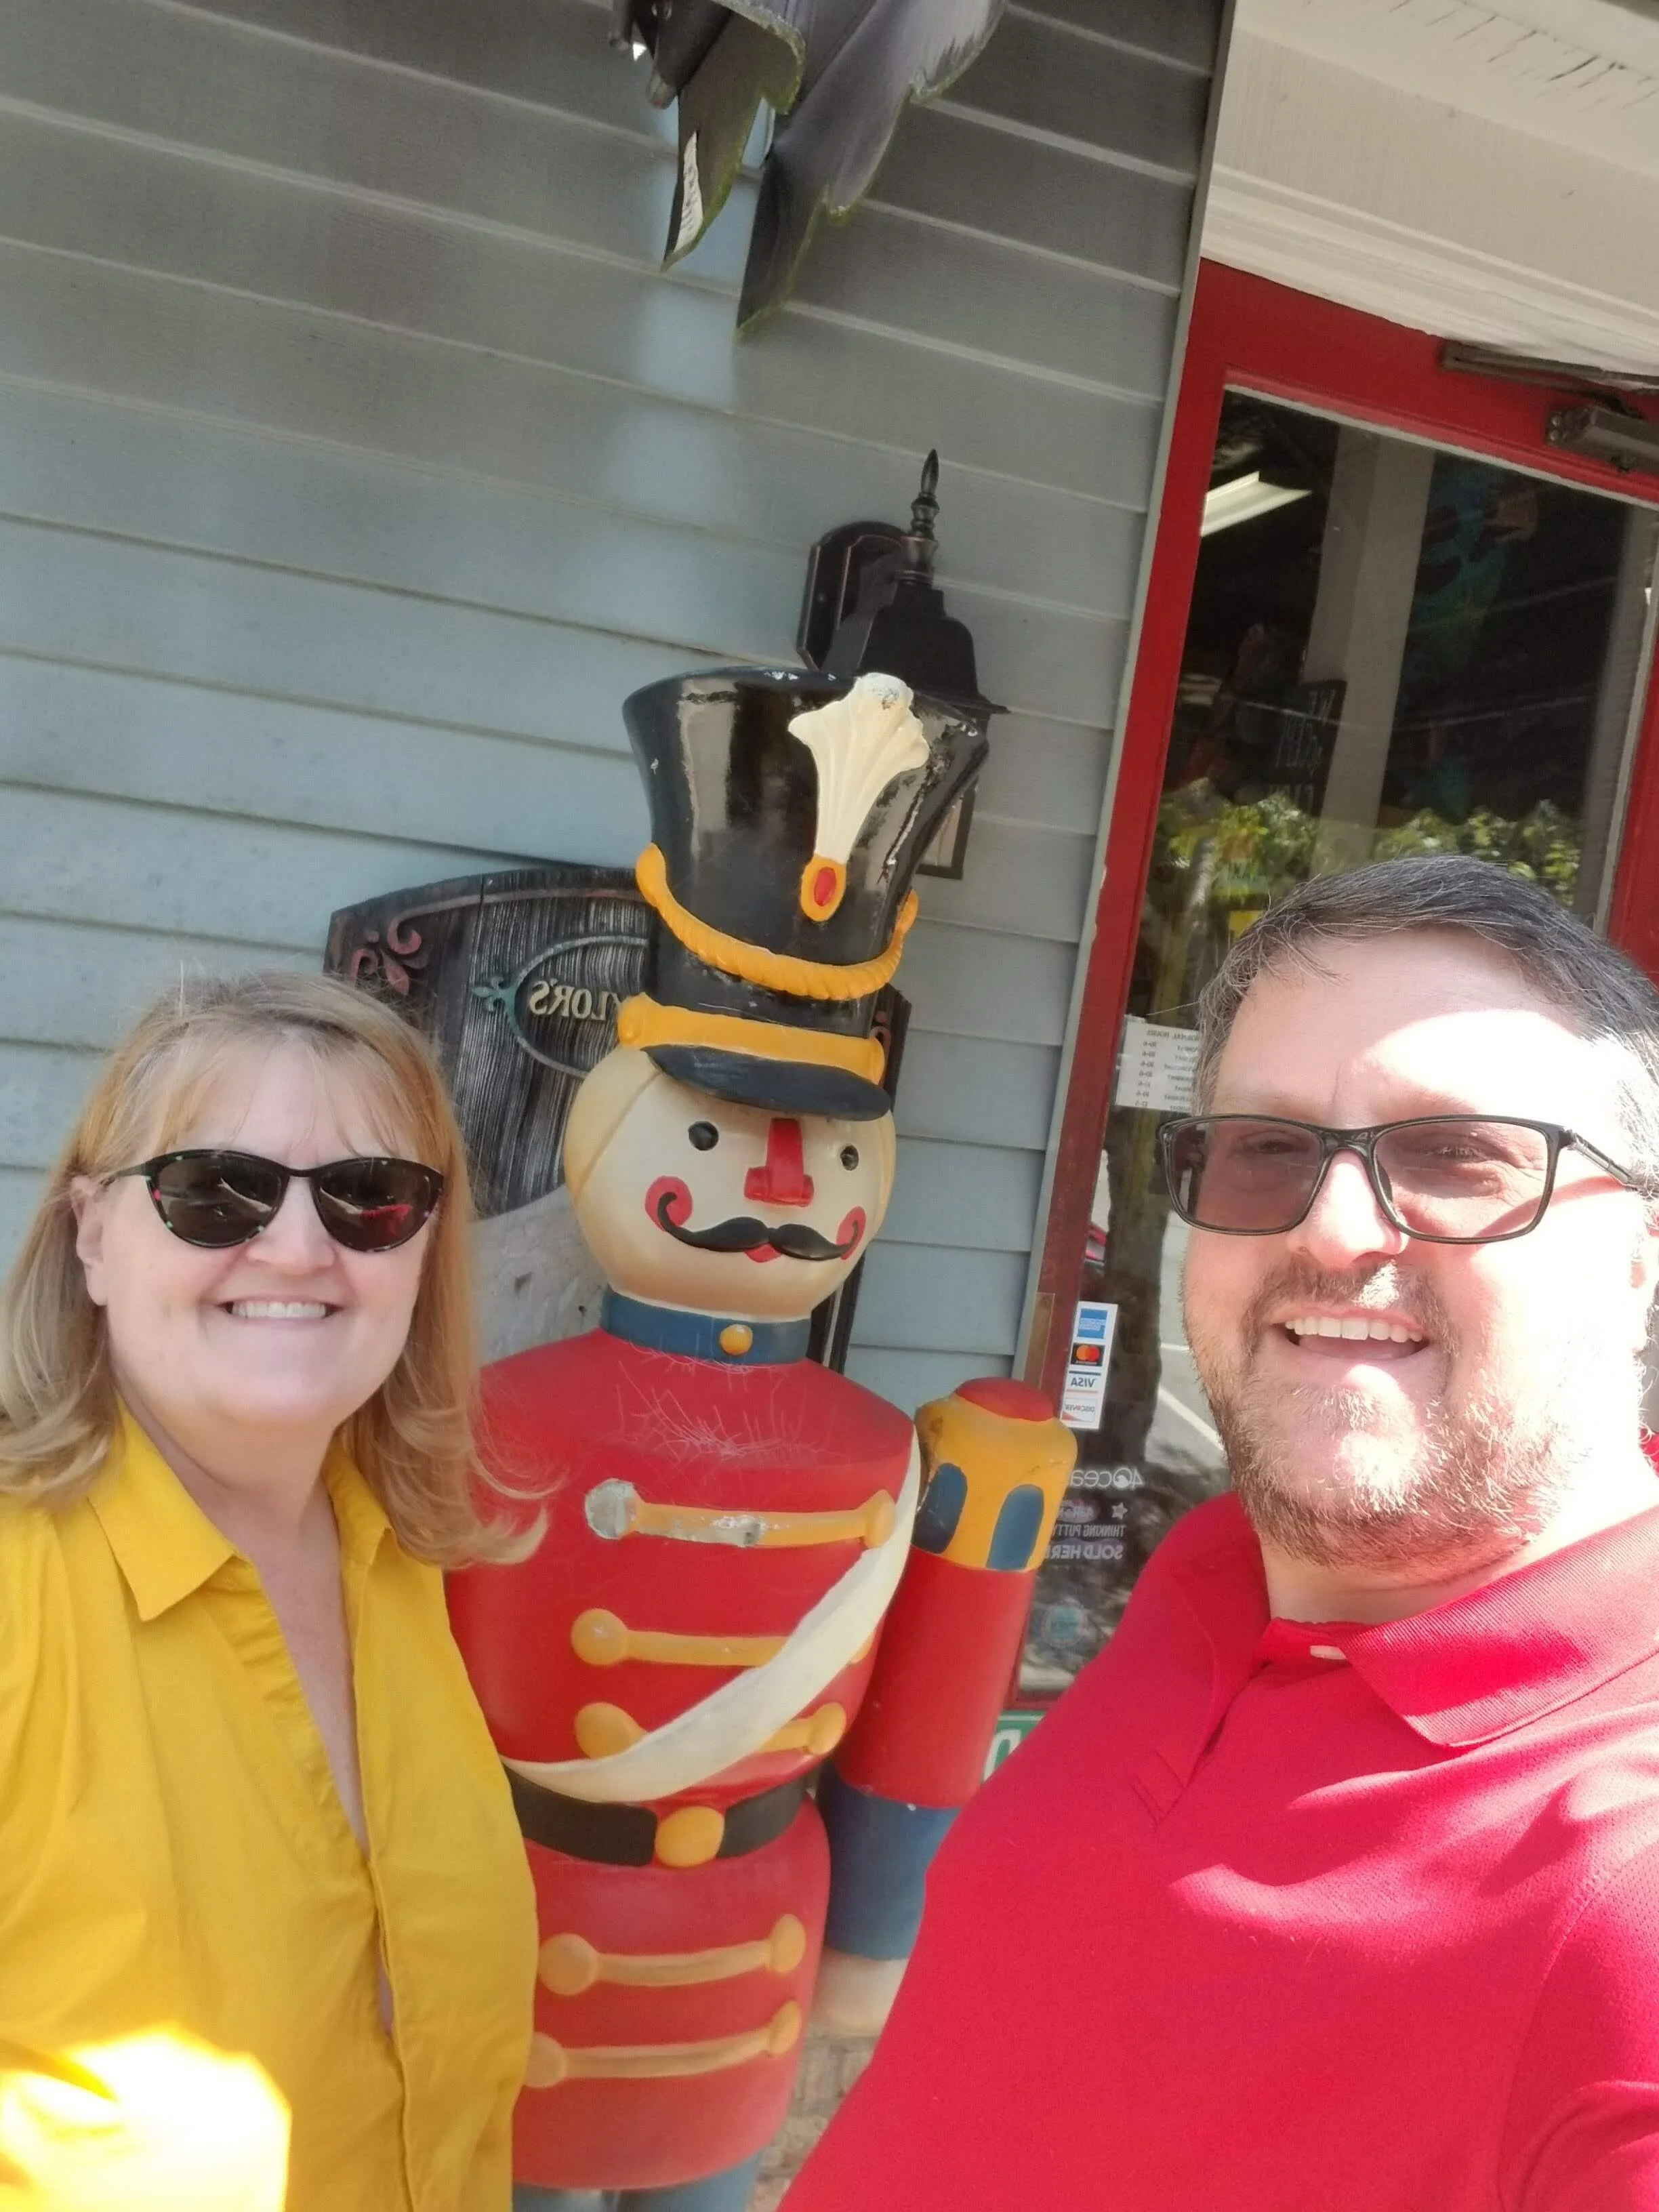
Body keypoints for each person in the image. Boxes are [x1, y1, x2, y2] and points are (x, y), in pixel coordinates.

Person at [784, 855, 1659, 2211]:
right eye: (1269, 1150)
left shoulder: (1619, 1884)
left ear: (1641, 1256)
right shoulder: (1216, 1581)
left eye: (1459, 1157)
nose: (1334, 1225)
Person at [0, 972, 539, 2211]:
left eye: (372, 1197)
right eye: (212, 1190)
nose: (297, 1247)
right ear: (91, 1234)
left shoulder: (405, 1562)